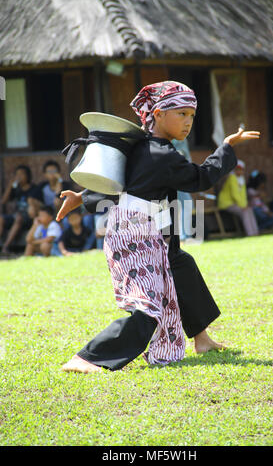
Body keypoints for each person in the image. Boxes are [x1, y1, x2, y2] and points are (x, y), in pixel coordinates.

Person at [56, 80, 260, 373]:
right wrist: (226, 148)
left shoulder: (143, 148)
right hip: (135, 234)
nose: (188, 122)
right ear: (159, 114)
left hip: (152, 228)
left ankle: (201, 339)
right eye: (181, 114)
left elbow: (125, 181)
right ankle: (88, 358)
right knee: (148, 307)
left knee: (180, 265)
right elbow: (201, 179)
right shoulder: (162, 154)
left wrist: (81, 197)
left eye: (192, 115)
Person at [0, 165, 39, 255]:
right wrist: (10, 186)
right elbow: (3, 201)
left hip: (28, 217)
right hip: (16, 216)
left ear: (28, 176)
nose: (19, 177)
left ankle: (6, 247)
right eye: (17, 174)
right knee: (1, 218)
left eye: (22, 174)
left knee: (18, 217)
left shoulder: (34, 188)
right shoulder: (16, 188)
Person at [217, 159, 259, 236]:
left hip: (236, 203)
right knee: (245, 212)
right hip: (227, 203)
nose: (239, 172)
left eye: (241, 170)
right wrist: (243, 206)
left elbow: (243, 194)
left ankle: (255, 232)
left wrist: (245, 205)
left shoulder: (241, 179)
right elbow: (234, 194)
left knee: (249, 210)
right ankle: (250, 234)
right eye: (237, 169)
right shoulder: (232, 177)